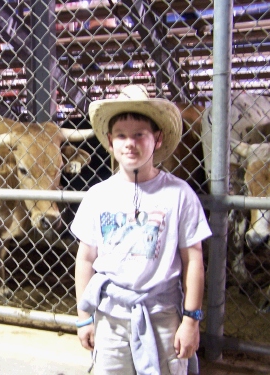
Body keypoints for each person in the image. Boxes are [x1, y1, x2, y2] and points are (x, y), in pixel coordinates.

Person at [71, 84, 212, 375]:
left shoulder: (179, 194)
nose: (130, 144)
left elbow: (194, 260)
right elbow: (85, 258)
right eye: (121, 135)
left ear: (157, 139)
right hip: (110, 316)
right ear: (110, 142)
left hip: (163, 316)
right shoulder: (98, 196)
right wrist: (85, 316)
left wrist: (191, 320)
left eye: (139, 135)